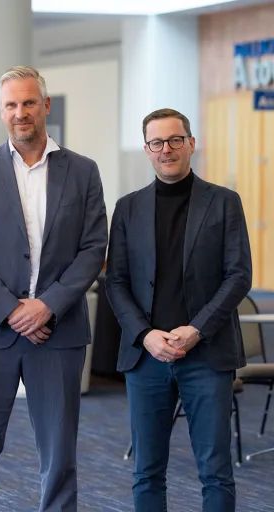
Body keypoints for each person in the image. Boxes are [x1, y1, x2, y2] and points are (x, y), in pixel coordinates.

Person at [0, 65, 108, 511]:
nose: (20, 113)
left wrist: (46, 307)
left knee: (59, 457)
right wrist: (11, 310)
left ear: (45, 106)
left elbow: (93, 247)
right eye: (11, 105)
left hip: (58, 333)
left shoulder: (82, 171)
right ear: (1, 111)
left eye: (28, 103)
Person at [106, 108, 252, 511]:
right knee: (147, 471)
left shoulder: (223, 202)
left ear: (191, 143)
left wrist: (196, 330)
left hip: (206, 353)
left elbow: (238, 275)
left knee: (215, 471)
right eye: (157, 142)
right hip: (146, 356)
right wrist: (146, 334)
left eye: (174, 140)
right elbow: (115, 282)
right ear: (147, 150)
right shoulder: (128, 208)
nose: (166, 149)